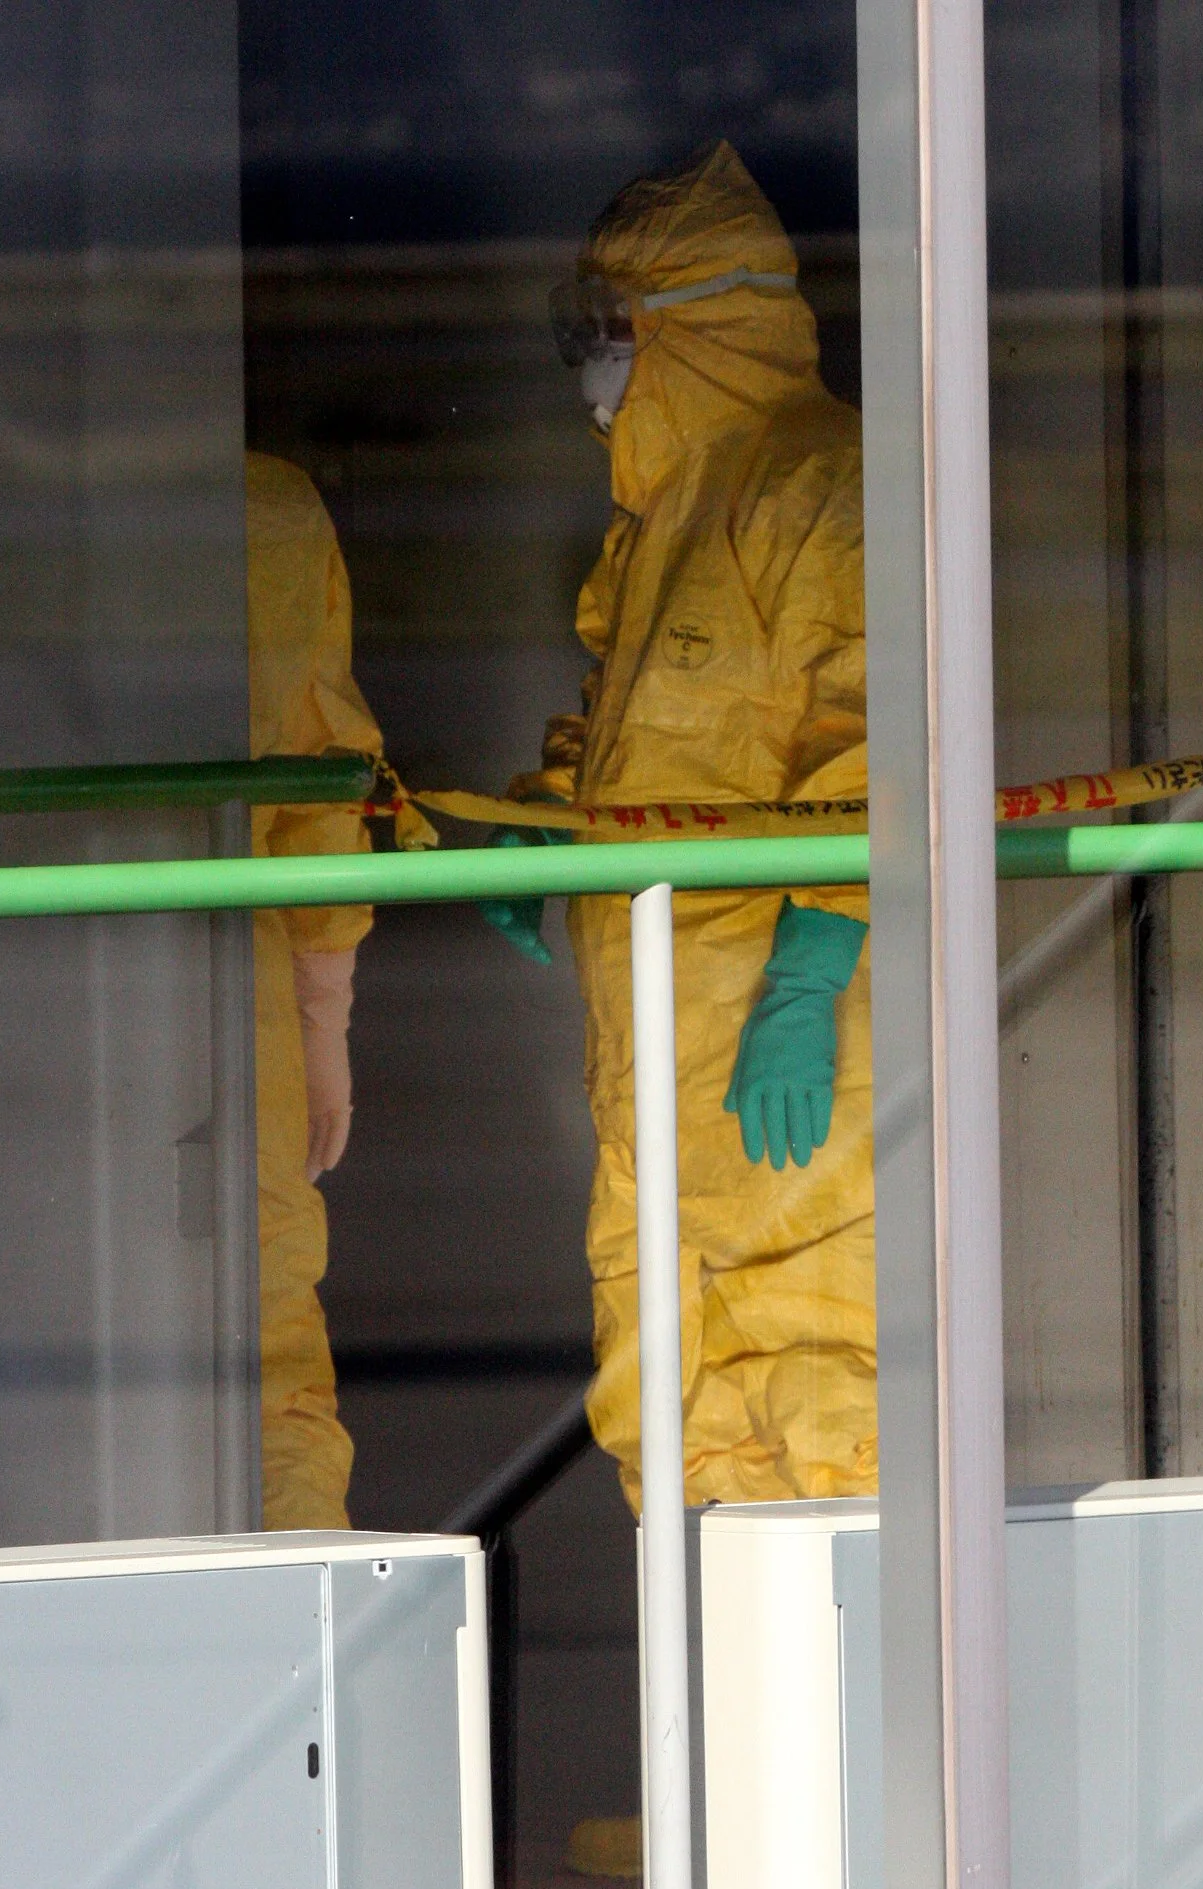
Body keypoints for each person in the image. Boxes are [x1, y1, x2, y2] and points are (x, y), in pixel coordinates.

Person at [485, 141, 874, 1511]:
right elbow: (626, 723)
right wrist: (543, 817)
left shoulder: (820, 485)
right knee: (663, 1403)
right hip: (655, 1051)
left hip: (792, 1057)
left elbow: (880, 732)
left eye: (613, 328)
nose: (593, 366)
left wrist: (811, 971)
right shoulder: (664, 517)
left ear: (696, 326)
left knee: (831, 1390)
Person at [247, 449, 382, 1528]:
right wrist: (320, 1012)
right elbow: (321, 770)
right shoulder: (270, 509)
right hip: (222, 978)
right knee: (264, 1345)